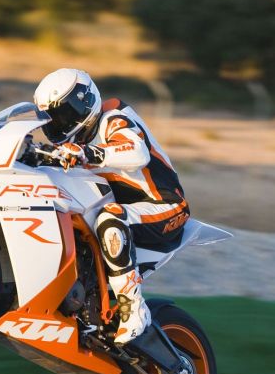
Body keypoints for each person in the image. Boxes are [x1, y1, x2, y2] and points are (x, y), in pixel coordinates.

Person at [32, 68, 189, 346]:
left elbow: (136, 153)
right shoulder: (73, 144)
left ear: (84, 102)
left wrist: (87, 153)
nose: (60, 124)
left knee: (109, 218)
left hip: (165, 207)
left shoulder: (114, 118)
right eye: (53, 119)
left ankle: (133, 307)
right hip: (129, 210)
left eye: (65, 114)